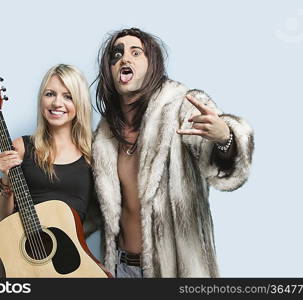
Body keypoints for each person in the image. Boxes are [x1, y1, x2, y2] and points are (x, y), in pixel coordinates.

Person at [92, 28, 254, 278]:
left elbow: (227, 169)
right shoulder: (105, 136)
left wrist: (225, 137)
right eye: (117, 53)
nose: (125, 58)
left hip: (176, 271)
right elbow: (96, 207)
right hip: (120, 269)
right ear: (110, 70)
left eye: (136, 53)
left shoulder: (182, 108)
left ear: (152, 65)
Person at [0, 64, 101, 277]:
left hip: (70, 265)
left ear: (80, 102)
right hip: (20, 263)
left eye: (68, 96)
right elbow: (3, 221)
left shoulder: (94, 154)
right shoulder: (21, 147)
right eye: (49, 94)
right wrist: (7, 179)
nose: (57, 103)